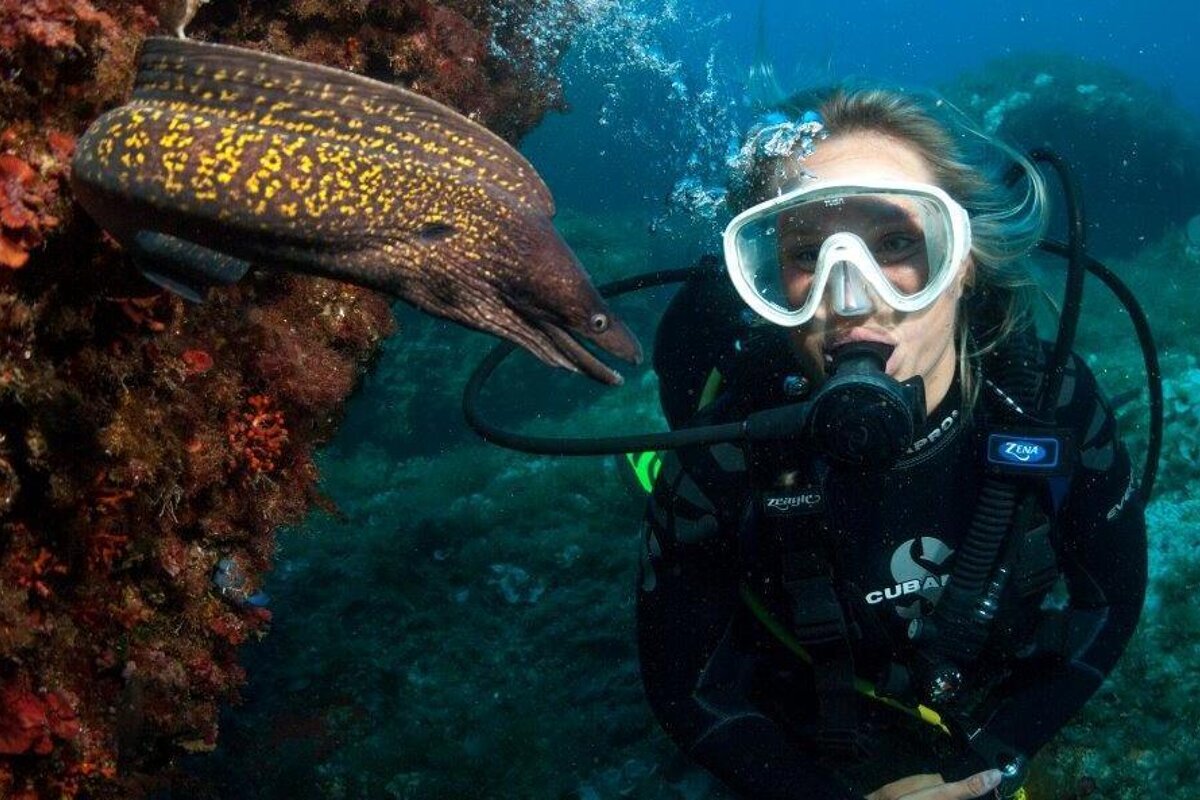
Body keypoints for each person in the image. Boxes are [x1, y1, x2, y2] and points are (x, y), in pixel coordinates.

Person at [635, 88, 1148, 800]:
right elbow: (684, 685)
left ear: (962, 260)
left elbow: (1111, 600)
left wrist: (997, 761)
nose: (853, 300)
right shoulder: (725, 451)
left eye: (899, 244)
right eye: (807, 254)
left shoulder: (1043, 404)